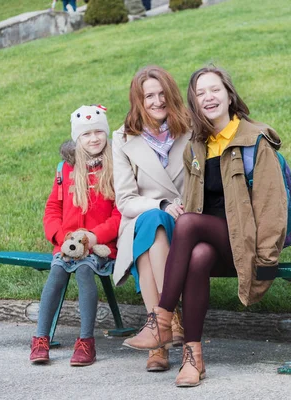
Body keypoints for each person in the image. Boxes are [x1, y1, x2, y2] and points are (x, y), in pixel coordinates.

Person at [124, 66, 288, 387]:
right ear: (194, 104)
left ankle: (161, 318)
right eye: (200, 94)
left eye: (214, 90)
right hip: (213, 243)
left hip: (246, 245)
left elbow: (272, 208)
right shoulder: (196, 148)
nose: (208, 98)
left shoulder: (255, 141)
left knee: (187, 224)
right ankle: (193, 358)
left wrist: (267, 262)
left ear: (229, 94)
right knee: (197, 255)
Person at [112, 65, 191, 372]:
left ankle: (158, 334)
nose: (157, 101)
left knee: (153, 231)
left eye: (162, 94)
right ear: (138, 101)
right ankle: (169, 321)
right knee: (151, 225)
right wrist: (159, 204)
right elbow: (125, 200)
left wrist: (179, 206)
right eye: (149, 96)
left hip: (184, 218)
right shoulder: (123, 138)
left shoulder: (191, 130)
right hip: (142, 217)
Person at [31, 104, 121, 367]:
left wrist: (93, 238)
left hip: (100, 246)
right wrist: (62, 239)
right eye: (86, 134)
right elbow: (52, 209)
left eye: (98, 132)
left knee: (83, 270)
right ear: (76, 138)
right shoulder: (65, 169)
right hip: (67, 244)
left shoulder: (116, 166)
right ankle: (40, 338)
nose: (93, 138)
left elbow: (119, 214)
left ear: (106, 133)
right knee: (57, 270)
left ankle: (85, 342)